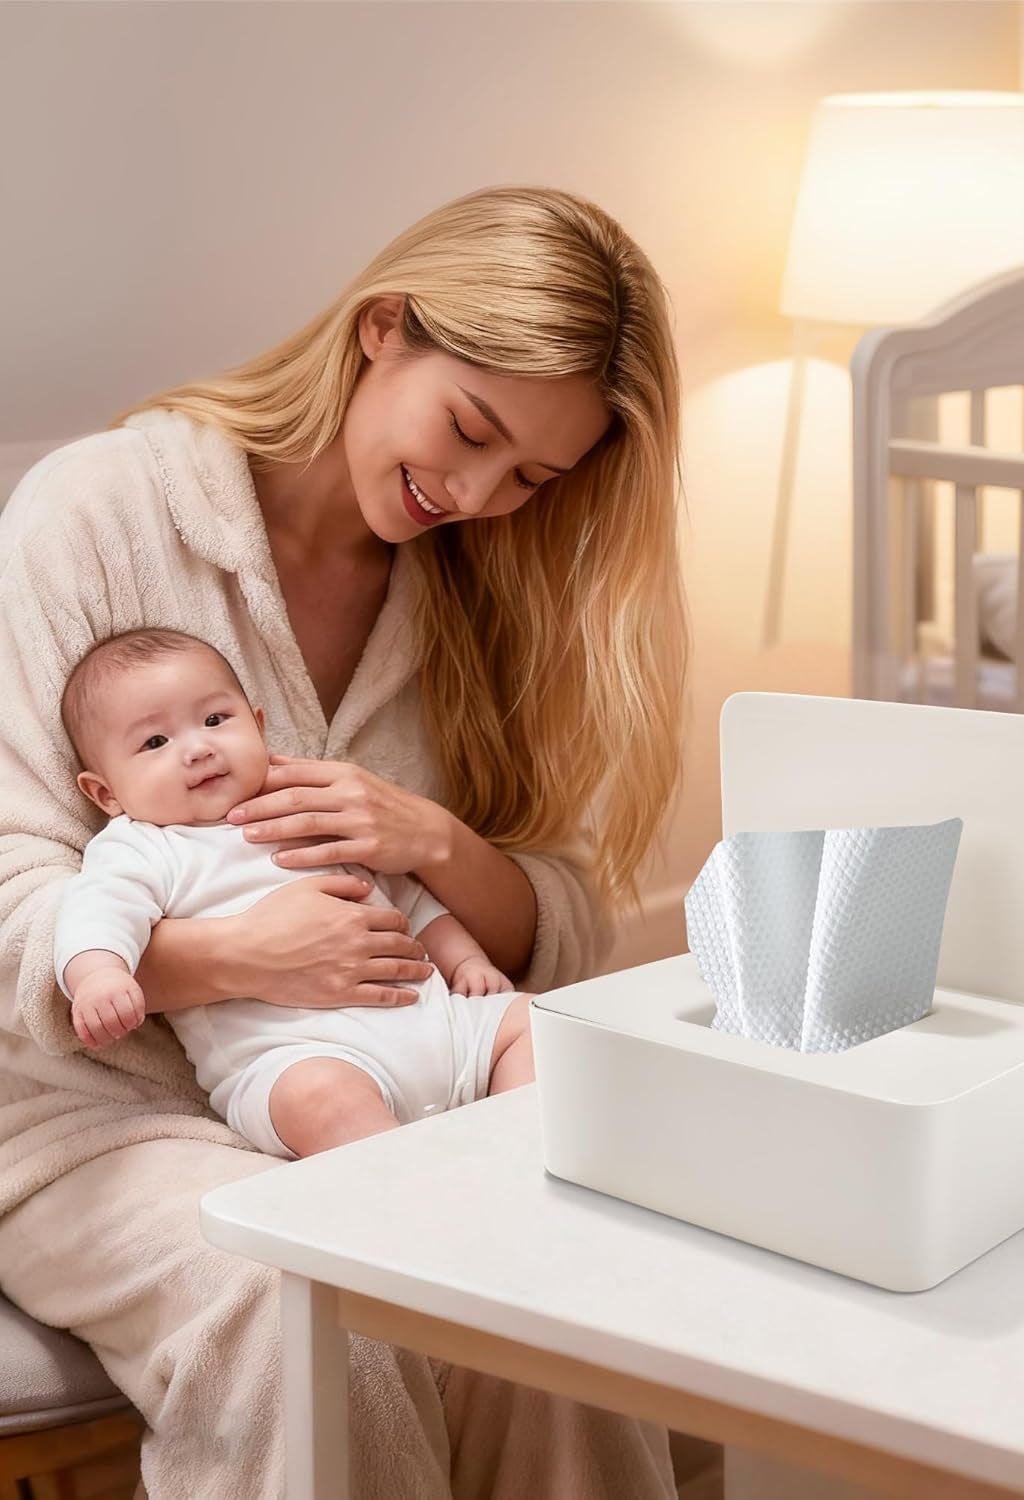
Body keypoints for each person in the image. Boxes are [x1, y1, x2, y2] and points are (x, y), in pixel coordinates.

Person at [0, 186, 686, 1498]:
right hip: (103, 1126)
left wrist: (430, 838)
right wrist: (224, 960)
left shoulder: (489, 580)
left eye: (531, 476)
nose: (477, 494)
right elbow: (10, 890)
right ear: (384, 330)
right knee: (314, 1321)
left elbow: (570, 915)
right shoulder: (99, 516)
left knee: (552, 1310)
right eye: (470, 431)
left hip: (412, 1090)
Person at [55, 628, 537, 1158]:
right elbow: (96, 914)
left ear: (259, 727)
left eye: (216, 720)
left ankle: (514, 1153)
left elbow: (406, 897)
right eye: (155, 743)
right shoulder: (145, 847)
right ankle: (413, 1188)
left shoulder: (310, 806)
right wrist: (99, 975)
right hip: (306, 1056)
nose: (198, 749)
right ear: (105, 793)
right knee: (322, 1101)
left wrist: (465, 959)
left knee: (536, 1023)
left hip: (445, 1031)